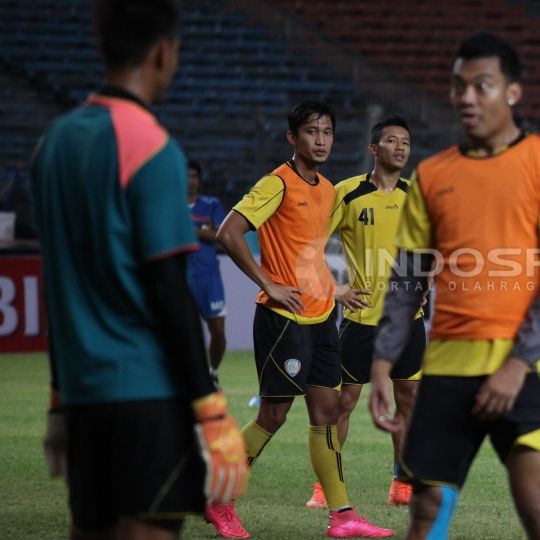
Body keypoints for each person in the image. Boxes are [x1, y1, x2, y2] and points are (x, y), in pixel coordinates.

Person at [30, 1, 248, 538]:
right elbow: (169, 291)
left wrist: (60, 403)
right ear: (162, 51)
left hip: (85, 399)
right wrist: (211, 409)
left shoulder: (51, 145)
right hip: (145, 398)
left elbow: (57, 289)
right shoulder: (152, 146)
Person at [369, 32, 540, 540]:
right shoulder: (431, 175)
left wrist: (516, 364)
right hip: (446, 369)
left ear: (512, 92)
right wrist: (382, 361)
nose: (467, 97)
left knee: (539, 508)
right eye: (458, 86)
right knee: (426, 512)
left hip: (525, 370)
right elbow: (405, 281)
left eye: (481, 86)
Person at [215, 100, 392, 539]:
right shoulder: (276, 184)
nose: (321, 140)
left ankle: (343, 516)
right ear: (293, 138)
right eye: (312, 132)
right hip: (283, 320)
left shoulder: (328, 190)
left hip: (323, 319)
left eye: (327, 132)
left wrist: (336, 290)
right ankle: (217, 498)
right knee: (273, 416)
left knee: (326, 413)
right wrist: (268, 283)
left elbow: (308, 254)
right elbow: (229, 231)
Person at [305, 113, 425, 510]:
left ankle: (402, 482)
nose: (401, 148)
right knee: (344, 403)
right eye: (392, 141)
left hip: (408, 322)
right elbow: (309, 245)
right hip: (361, 321)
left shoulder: (416, 195)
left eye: (406, 142)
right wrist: (335, 289)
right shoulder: (348, 192)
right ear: (374, 149)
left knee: (408, 400)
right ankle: (326, 487)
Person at [186, 160, 228, 383]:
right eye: (186, 176)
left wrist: (193, 230)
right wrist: (203, 230)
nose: (190, 180)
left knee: (218, 331)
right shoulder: (171, 205)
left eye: (193, 176)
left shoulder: (211, 204)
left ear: (199, 180)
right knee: (184, 333)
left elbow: (220, 234)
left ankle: (213, 371)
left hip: (209, 277)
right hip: (181, 277)